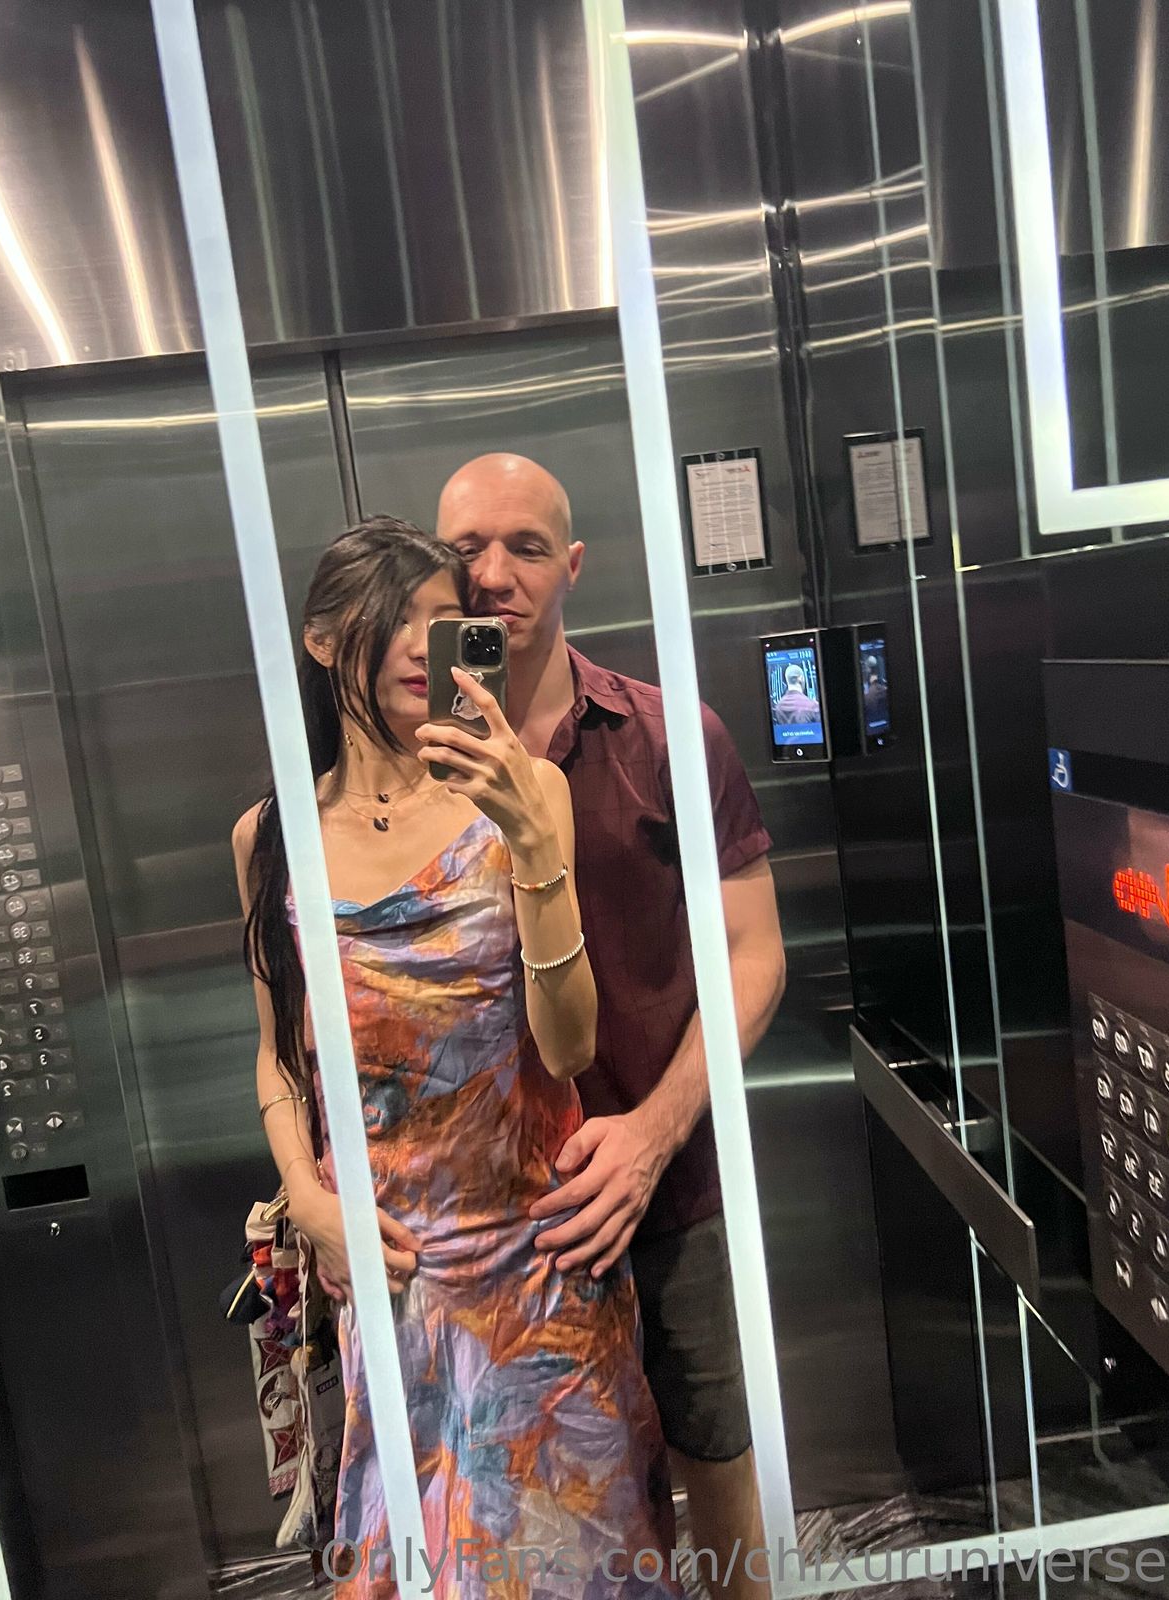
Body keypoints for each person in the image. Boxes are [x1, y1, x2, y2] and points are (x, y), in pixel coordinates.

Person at [233, 519, 682, 1599]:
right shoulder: (272, 835)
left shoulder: (525, 794)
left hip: (543, 1266)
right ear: (322, 639)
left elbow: (569, 1046)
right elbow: (279, 1057)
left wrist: (531, 844)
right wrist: (308, 1198)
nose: (421, 644)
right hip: (393, 1279)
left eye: (443, 623)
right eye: (394, 618)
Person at [437, 456, 787, 1600]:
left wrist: (652, 1134)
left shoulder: (671, 737)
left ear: (574, 564)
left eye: (526, 547)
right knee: (541, 1528)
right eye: (466, 550)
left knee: (721, 1487)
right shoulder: (413, 768)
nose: (493, 575)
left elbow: (755, 956)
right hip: (492, 1229)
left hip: (667, 1191)